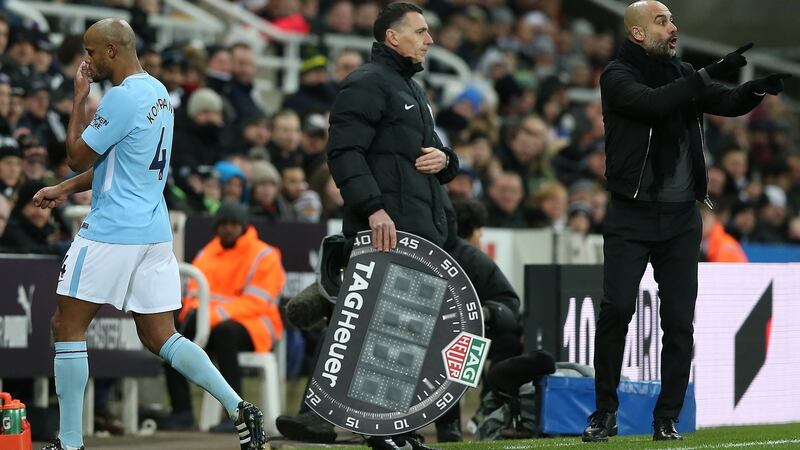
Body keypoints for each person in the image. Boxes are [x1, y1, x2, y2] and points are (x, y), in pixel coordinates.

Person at [31, 19, 268, 450]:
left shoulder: (121, 97)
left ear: (111, 50)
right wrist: (65, 190)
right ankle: (239, 407)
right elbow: (122, 163)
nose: (86, 60)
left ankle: (70, 443)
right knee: (161, 335)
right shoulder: (159, 92)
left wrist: (79, 98)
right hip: (154, 232)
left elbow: (77, 156)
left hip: (111, 231)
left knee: (66, 325)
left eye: (90, 51)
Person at [583, 1, 790, 443]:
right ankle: (604, 411)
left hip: (680, 219)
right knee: (616, 310)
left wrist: (754, 90)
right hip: (630, 215)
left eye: (672, 20)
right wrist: (710, 71)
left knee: (678, 322)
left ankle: (667, 417)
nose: (673, 27)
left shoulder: (683, 74)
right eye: (662, 21)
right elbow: (654, 104)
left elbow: (725, 101)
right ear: (638, 33)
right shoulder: (617, 76)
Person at [325, 3, 459, 448]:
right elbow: (344, 152)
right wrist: (373, 209)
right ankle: (378, 427)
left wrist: (446, 160)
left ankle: (399, 426)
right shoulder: (366, 82)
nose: (429, 40)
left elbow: (430, 153)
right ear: (392, 37)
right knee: (384, 332)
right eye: (420, 31)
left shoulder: (410, 89)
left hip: (419, 229)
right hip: (386, 229)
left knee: (412, 335)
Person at [163, 202, 286, 431]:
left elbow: (257, 303)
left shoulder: (264, 255)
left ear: (243, 226)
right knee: (170, 336)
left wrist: (211, 315)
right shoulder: (207, 253)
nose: (228, 229)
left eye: (233, 224)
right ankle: (182, 412)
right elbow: (192, 295)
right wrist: (198, 316)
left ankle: (236, 414)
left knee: (225, 333)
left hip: (256, 326)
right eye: (223, 224)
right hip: (211, 322)